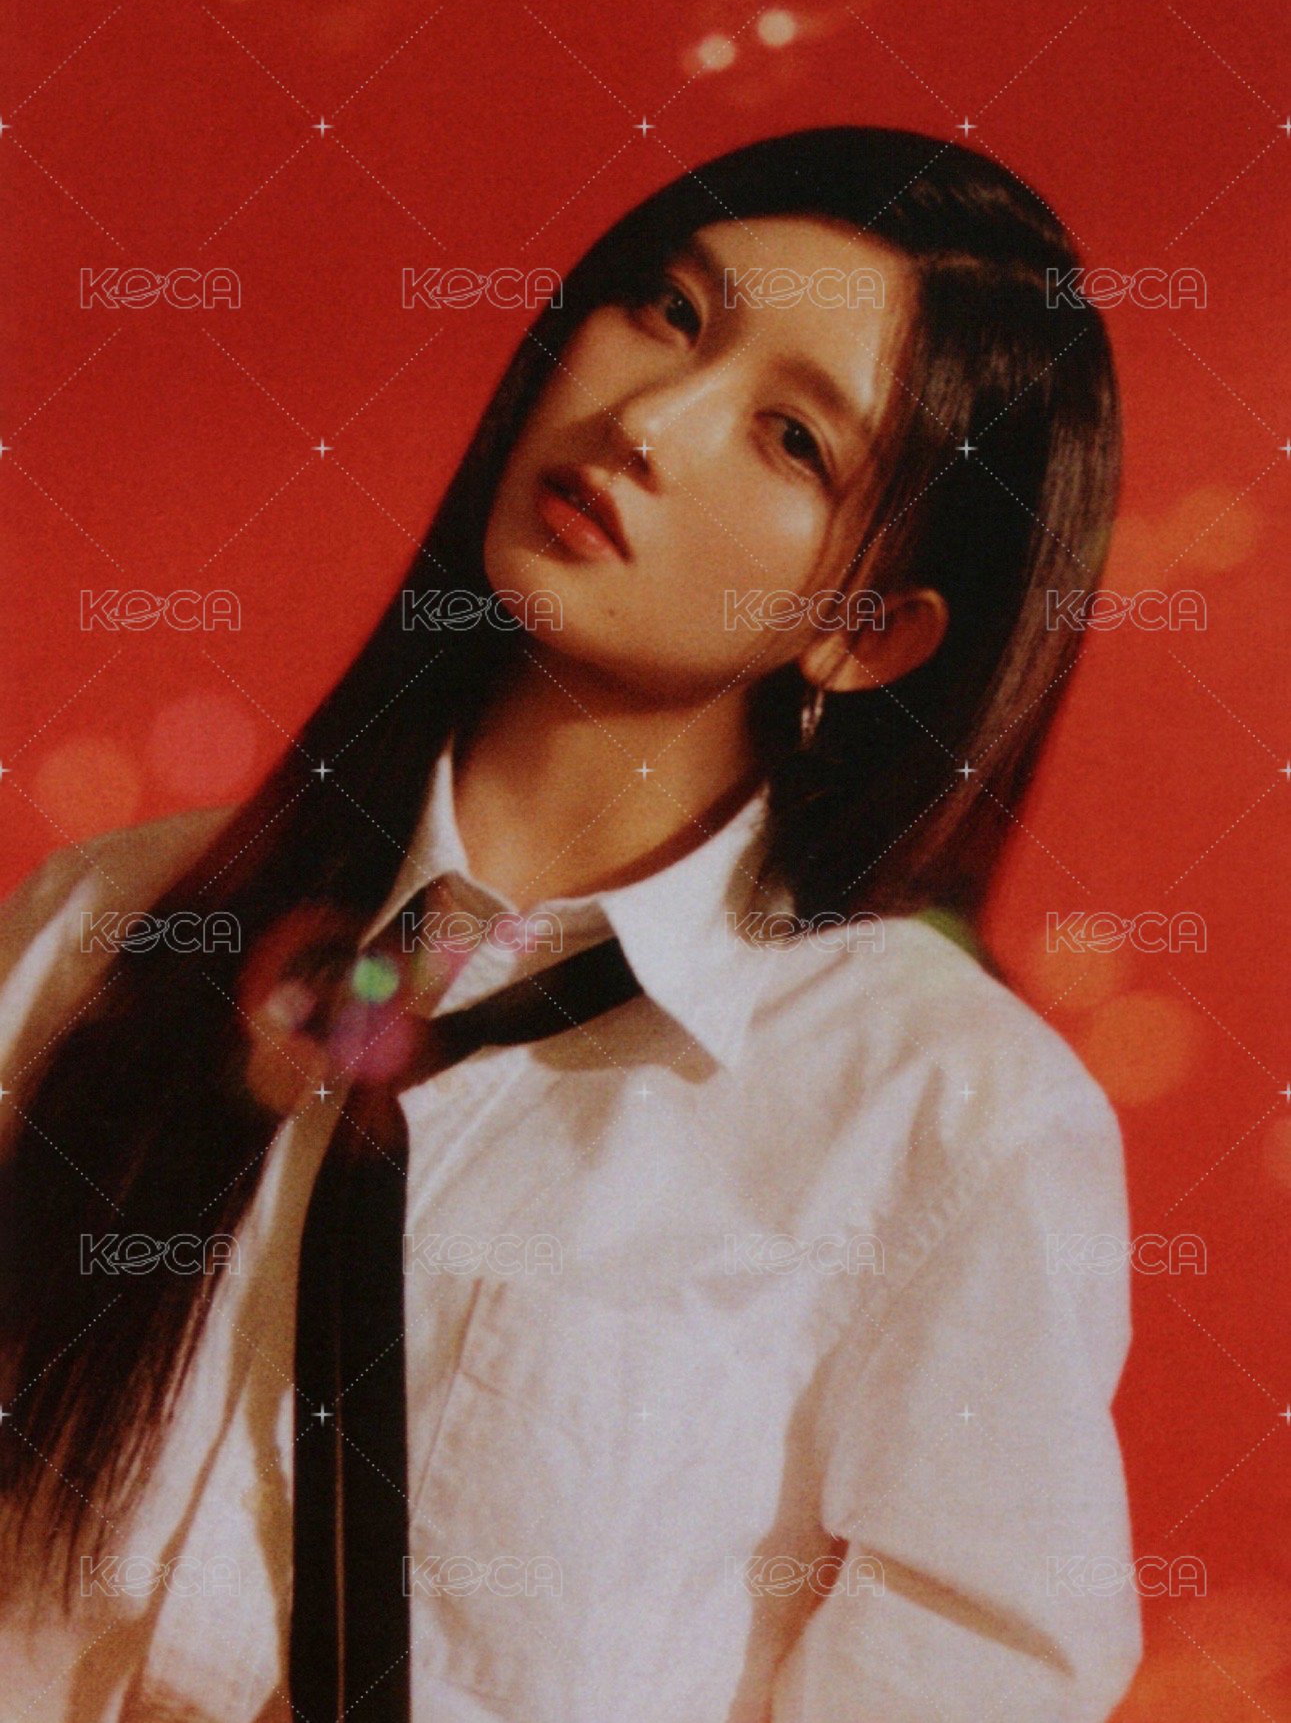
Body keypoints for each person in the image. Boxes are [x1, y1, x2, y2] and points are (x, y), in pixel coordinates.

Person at [0, 126, 1142, 1721]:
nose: (648, 423)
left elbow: (979, 1667)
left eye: (793, 439)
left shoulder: (937, 1110)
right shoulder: (120, 923)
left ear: (870, 632)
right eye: (670, 313)